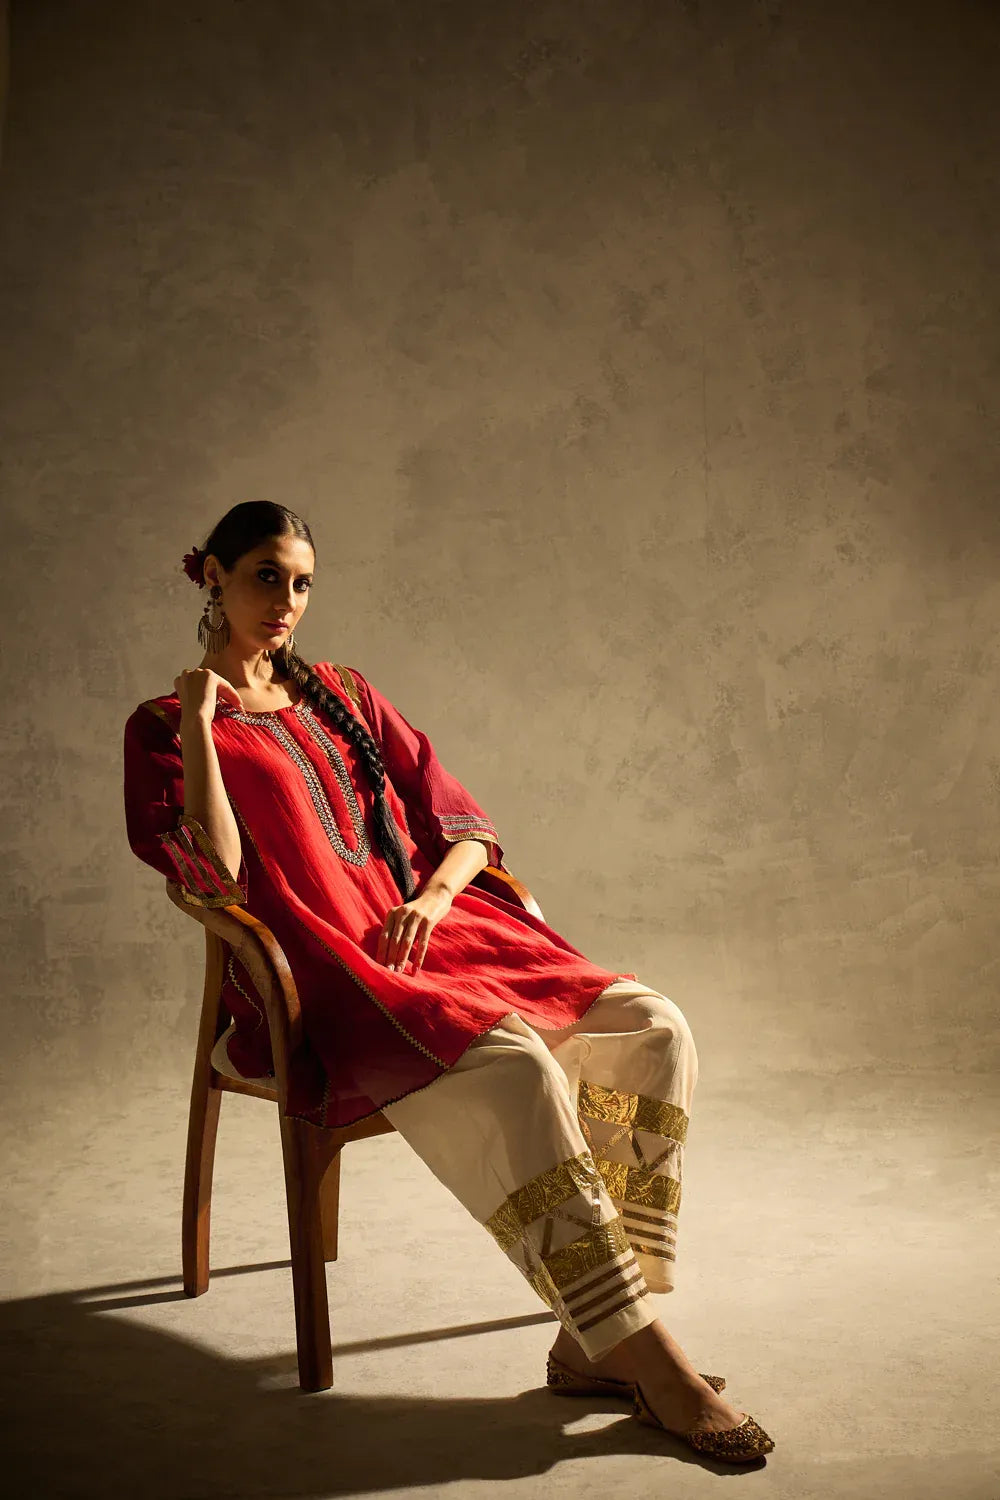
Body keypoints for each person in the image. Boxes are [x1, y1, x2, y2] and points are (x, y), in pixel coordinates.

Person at [122, 500, 775, 1464]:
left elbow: (465, 826)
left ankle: (593, 1341)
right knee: (516, 1068)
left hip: (445, 937)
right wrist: (203, 720)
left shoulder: (344, 692)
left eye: (302, 582)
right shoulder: (162, 726)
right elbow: (214, 876)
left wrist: (430, 900)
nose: (287, 601)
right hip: (329, 978)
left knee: (654, 1026)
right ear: (211, 576)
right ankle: (651, 1360)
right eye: (266, 576)